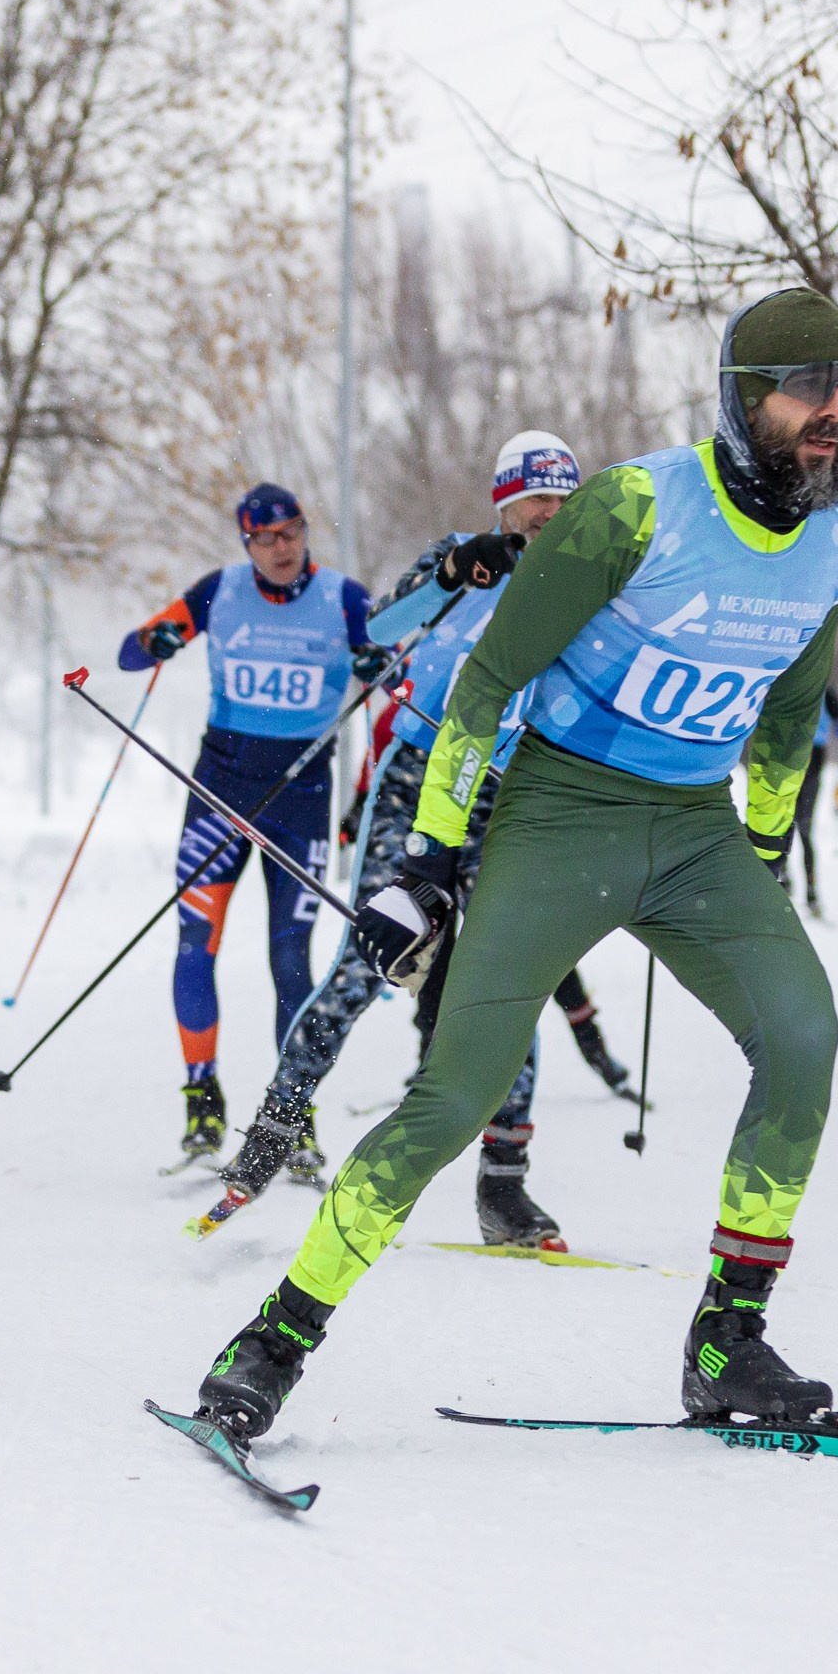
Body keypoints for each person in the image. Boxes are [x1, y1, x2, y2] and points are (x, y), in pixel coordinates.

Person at [189, 285, 838, 1442]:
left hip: (696, 833)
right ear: (742, 398)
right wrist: (427, 861)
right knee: (453, 1094)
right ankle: (276, 1337)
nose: (835, 411)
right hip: (559, 818)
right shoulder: (631, 509)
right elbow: (486, 682)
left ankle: (727, 1342)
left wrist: (759, 848)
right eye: (809, 388)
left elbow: (788, 715)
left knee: (804, 1039)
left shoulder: (837, 538)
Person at [215, 432, 617, 1250]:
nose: (546, 514)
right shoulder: (464, 562)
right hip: (420, 776)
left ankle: (504, 1191)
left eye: (560, 500)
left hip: (513, 793)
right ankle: (269, 1138)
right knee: (366, 961)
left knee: (511, 982)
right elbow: (380, 628)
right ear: (504, 505)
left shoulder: (592, 585)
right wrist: (451, 569)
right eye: (531, 501)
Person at [119, 484, 376, 1159]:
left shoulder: (345, 600)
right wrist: (158, 639)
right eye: (264, 539)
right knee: (194, 942)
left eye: (289, 533)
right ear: (246, 544)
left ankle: (293, 1113)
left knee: (291, 962)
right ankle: (202, 1104)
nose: (279, 548)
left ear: (304, 532)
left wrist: (382, 665)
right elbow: (130, 653)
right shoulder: (220, 592)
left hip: (300, 800)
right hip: (219, 794)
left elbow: (400, 669)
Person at [792, 684, 838, 916]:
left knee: (804, 829)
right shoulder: (785, 683)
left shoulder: (823, 690)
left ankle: (811, 892)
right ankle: (781, 879)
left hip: (812, 766)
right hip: (785, 762)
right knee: (780, 826)